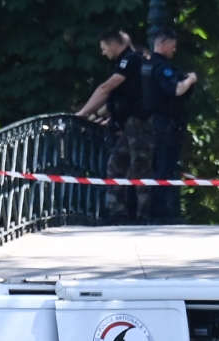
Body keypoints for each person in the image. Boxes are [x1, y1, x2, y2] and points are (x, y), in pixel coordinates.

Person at [77, 30, 154, 223]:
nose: (103, 53)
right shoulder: (123, 62)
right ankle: (117, 213)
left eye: (104, 48)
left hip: (140, 124)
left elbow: (107, 88)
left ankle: (144, 215)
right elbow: (118, 99)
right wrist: (97, 115)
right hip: (129, 125)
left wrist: (82, 114)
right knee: (115, 166)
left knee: (140, 168)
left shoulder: (130, 60)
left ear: (113, 44)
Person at [143, 28, 198, 223]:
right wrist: (190, 79)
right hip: (166, 125)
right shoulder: (163, 68)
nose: (174, 50)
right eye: (173, 46)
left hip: (150, 125)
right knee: (165, 168)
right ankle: (161, 211)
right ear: (163, 44)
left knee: (154, 166)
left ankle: (149, 208)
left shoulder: (146, 67)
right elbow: (175, 90)